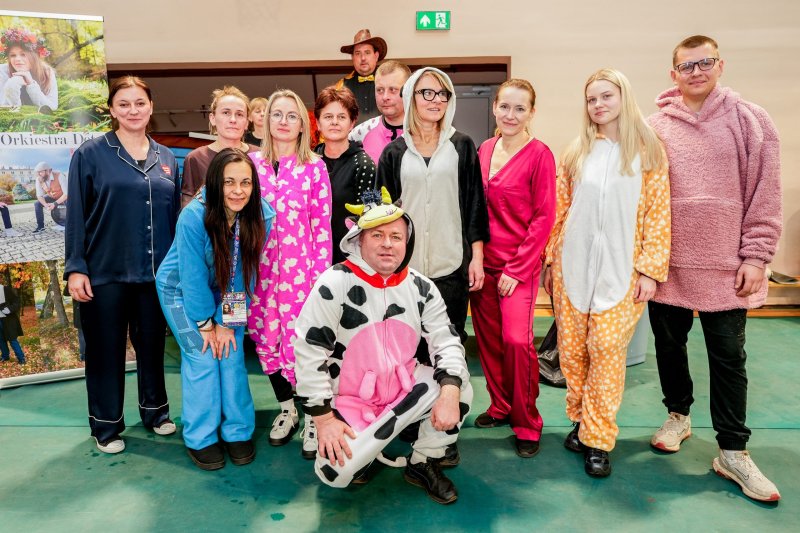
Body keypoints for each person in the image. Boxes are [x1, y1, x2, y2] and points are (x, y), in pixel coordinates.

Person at [647, 35, 782, 502]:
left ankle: (732, 451)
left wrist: (757, 256)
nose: (696, 71)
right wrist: (645, 260)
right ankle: (678, 416)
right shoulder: (654, 127)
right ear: (673, 74)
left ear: (720, 65)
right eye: (687, 66)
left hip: (728, 268)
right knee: (669, 348)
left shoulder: (751, 120)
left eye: (705, 62)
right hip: (667, 266)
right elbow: (643, 198)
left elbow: (766, 191)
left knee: (728, 358)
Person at [294, 189, 472, 504]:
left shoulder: (421, 287)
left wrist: (449, 392)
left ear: (407, 243)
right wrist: (323, 418)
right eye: (377, 235)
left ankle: (424, 460)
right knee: (336, 471)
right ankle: (362, 447)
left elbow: (445, 339)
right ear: (359, 240)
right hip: (349, 399)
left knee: (458, 387)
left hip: (404, 391)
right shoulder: (334, 283)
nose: (388, 244)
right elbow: (309, 352)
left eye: (396, 236)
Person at [542, 68, 671, 477]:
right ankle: (582, 422)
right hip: (572, 268)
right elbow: (560, 211)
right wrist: (551, 260)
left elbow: (658, 214)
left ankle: (598, 439)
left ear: (623, 97)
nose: (598, 105)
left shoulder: (648, 152)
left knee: (607, 351)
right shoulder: (576, 151)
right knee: (572, 352)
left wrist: (650, 270)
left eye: (606, 96)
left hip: (621, 271)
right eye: (591, 99)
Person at [65, 76, 180, 454]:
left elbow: (173, 218)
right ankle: (106, 425)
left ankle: (156, 412)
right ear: (112, 110)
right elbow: (76, 215)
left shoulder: (166, 158)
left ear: (151, 107)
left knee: (152, 347)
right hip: (105, 272)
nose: (133, 110)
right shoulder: (90, 154)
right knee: (105, 351)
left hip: (155, 274)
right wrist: (76, 267)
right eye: (124, 104)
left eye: (140, 103)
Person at [157, 148, 275, 470]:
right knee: (204, 356)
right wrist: (206, 323)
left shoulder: (261, 215)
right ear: (214, 183)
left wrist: (226, 322)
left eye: (245, 183)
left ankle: (237, 430)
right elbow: (192, 277)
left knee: (232, 353)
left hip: (228, 290)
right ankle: (201, 437)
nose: (238, 191)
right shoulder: (193, 217)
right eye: (229, 182)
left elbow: (244, 272)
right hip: (181, 291)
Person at [469, 79, 556, 458]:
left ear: (531, 113)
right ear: (494, 108)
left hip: (518, 268)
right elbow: (474, 208)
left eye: (520, 108)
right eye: (505, 106)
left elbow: (544, 217)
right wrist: (474, 258)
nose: (511, 115)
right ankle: (501, 405)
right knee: (488, 342)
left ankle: (526, 421)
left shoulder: (540, 155)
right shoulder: (484, 150)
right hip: (482, 265)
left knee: (517, 342)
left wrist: (517, 270)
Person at [376, 67, 489, 353]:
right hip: (404, 268)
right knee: (407, 346)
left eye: (442, 94)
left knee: (448, 344)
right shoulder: (393, 152)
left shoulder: (462, 146)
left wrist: (476, 258)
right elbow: (379, 212)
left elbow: (475, 205)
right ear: (411, 97)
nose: (436, 100)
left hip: (452, 265)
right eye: (427, 93)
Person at [248, 89, 332, 458]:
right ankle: (287, 409)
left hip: (303, 275)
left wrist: (320, 280)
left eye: (291, 115)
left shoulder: (315, 167)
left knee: (306, 347)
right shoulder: (250, 165)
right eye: (277, 114)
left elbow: (322, 228)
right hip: (260, 275)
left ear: (302, 125)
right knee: (266, 340)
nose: (283, 121)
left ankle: (314, 415)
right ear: (266, 121)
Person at [313, 86, 376, 263]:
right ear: (318, 123)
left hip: (350, 258)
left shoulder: (364, 165)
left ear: (352, 122)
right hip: (312, 257)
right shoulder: (309, 162)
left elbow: (369, 220)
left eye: (341, 117)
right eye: (328, 117)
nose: (334, 122)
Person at [180, 86, 257, 208]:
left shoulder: (260, 156)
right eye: (226, 113)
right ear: (213, 118)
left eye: (239, 114)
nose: (233, 120)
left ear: (247, 122)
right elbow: (187, 204)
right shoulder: (196, 158)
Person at [349, 60, 411, 164]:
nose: (385, 97)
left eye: (393, 90)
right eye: (380, 90)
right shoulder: (358, 134)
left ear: (408, 91)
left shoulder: (426, 133)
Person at [336, 29, 388, 124]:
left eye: (367, 52)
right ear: (352, 57)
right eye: (358, 53)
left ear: (376, 56)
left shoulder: (389, 81)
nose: (363, 58)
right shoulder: (341, 87)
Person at [0, 27, 58, 109]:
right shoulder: (2, 71)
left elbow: (52, 107)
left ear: (33, 56)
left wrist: (31, 84)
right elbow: (4, 108)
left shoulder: (46, 72)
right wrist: (15, 81)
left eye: (23, 54)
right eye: (13, 55)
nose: (17, 59)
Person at [32, 161, 68, 233]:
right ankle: (40, 227)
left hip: (65, 197)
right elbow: (39, 196)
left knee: (70, 205)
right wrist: (45, 204)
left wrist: (54, 204)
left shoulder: (59, 175)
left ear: (48, 171)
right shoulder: (39, 179)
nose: (39, 174)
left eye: (41, 172)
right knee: (37, 204)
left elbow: (66, 194)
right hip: (52, 197)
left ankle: (71, 222)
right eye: (38, 172)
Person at [0, 283, 26, 364]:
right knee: (1, 340)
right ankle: (5, 356)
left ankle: (21, 358)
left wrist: (10, 309)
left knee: (12, 339)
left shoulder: (6, 289)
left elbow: (17, 302)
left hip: (8, 319)